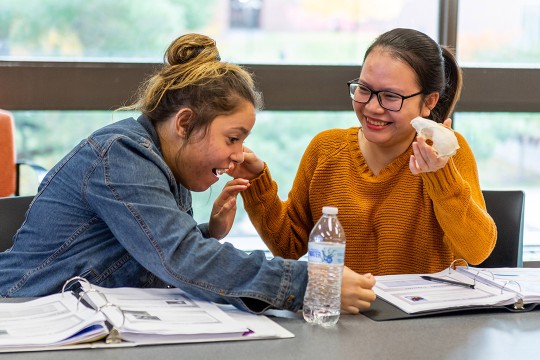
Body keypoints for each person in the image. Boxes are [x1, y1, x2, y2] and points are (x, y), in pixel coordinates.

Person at [0, 33, 375, 314]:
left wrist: (206, 232)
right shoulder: (122, 155)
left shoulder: (163, 161)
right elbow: (182, 259)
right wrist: (308, 282)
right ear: (185, 123)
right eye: (232, 138)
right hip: (25, 317)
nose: (239, 154)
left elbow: (141, 245)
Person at [231, 28, 497, 276]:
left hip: (424, 322)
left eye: (391, 97)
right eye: (365, 89)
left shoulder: (446, 153)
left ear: (428, 102)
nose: (372, 107)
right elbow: (288, 246)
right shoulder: (325, 150)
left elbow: (476, 251)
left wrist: (442, 177)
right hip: (344, 314)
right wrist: (257, 182)